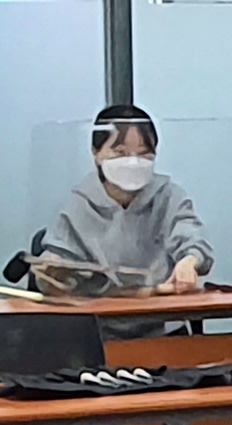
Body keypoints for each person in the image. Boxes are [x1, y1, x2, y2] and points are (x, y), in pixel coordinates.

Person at [27, 104, 213, 297]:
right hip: (99, 312)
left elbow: (191, 235)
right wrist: (54, 271)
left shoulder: (169, 196)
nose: (133, 162)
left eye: (143, 153)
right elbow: (57, 266)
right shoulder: (78, 206)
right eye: (120, 152)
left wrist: (190, 260)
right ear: (96, 153)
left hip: (163, 309)